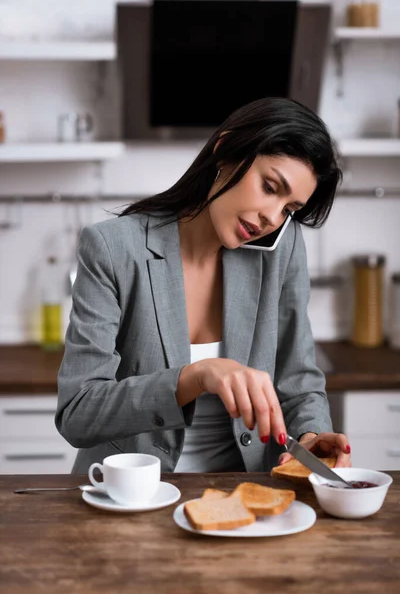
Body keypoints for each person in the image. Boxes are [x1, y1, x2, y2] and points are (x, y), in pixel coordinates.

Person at [56, 97, 352, 475]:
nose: (271, 218)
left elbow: (298, 378)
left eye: (289, 209)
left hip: (245, 494)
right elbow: (78, 413)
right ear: (225, 150)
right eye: (270, 186)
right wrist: (195, 377)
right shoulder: (113, 248)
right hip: (128, 496)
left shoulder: (281, 250)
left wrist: (310, 434)